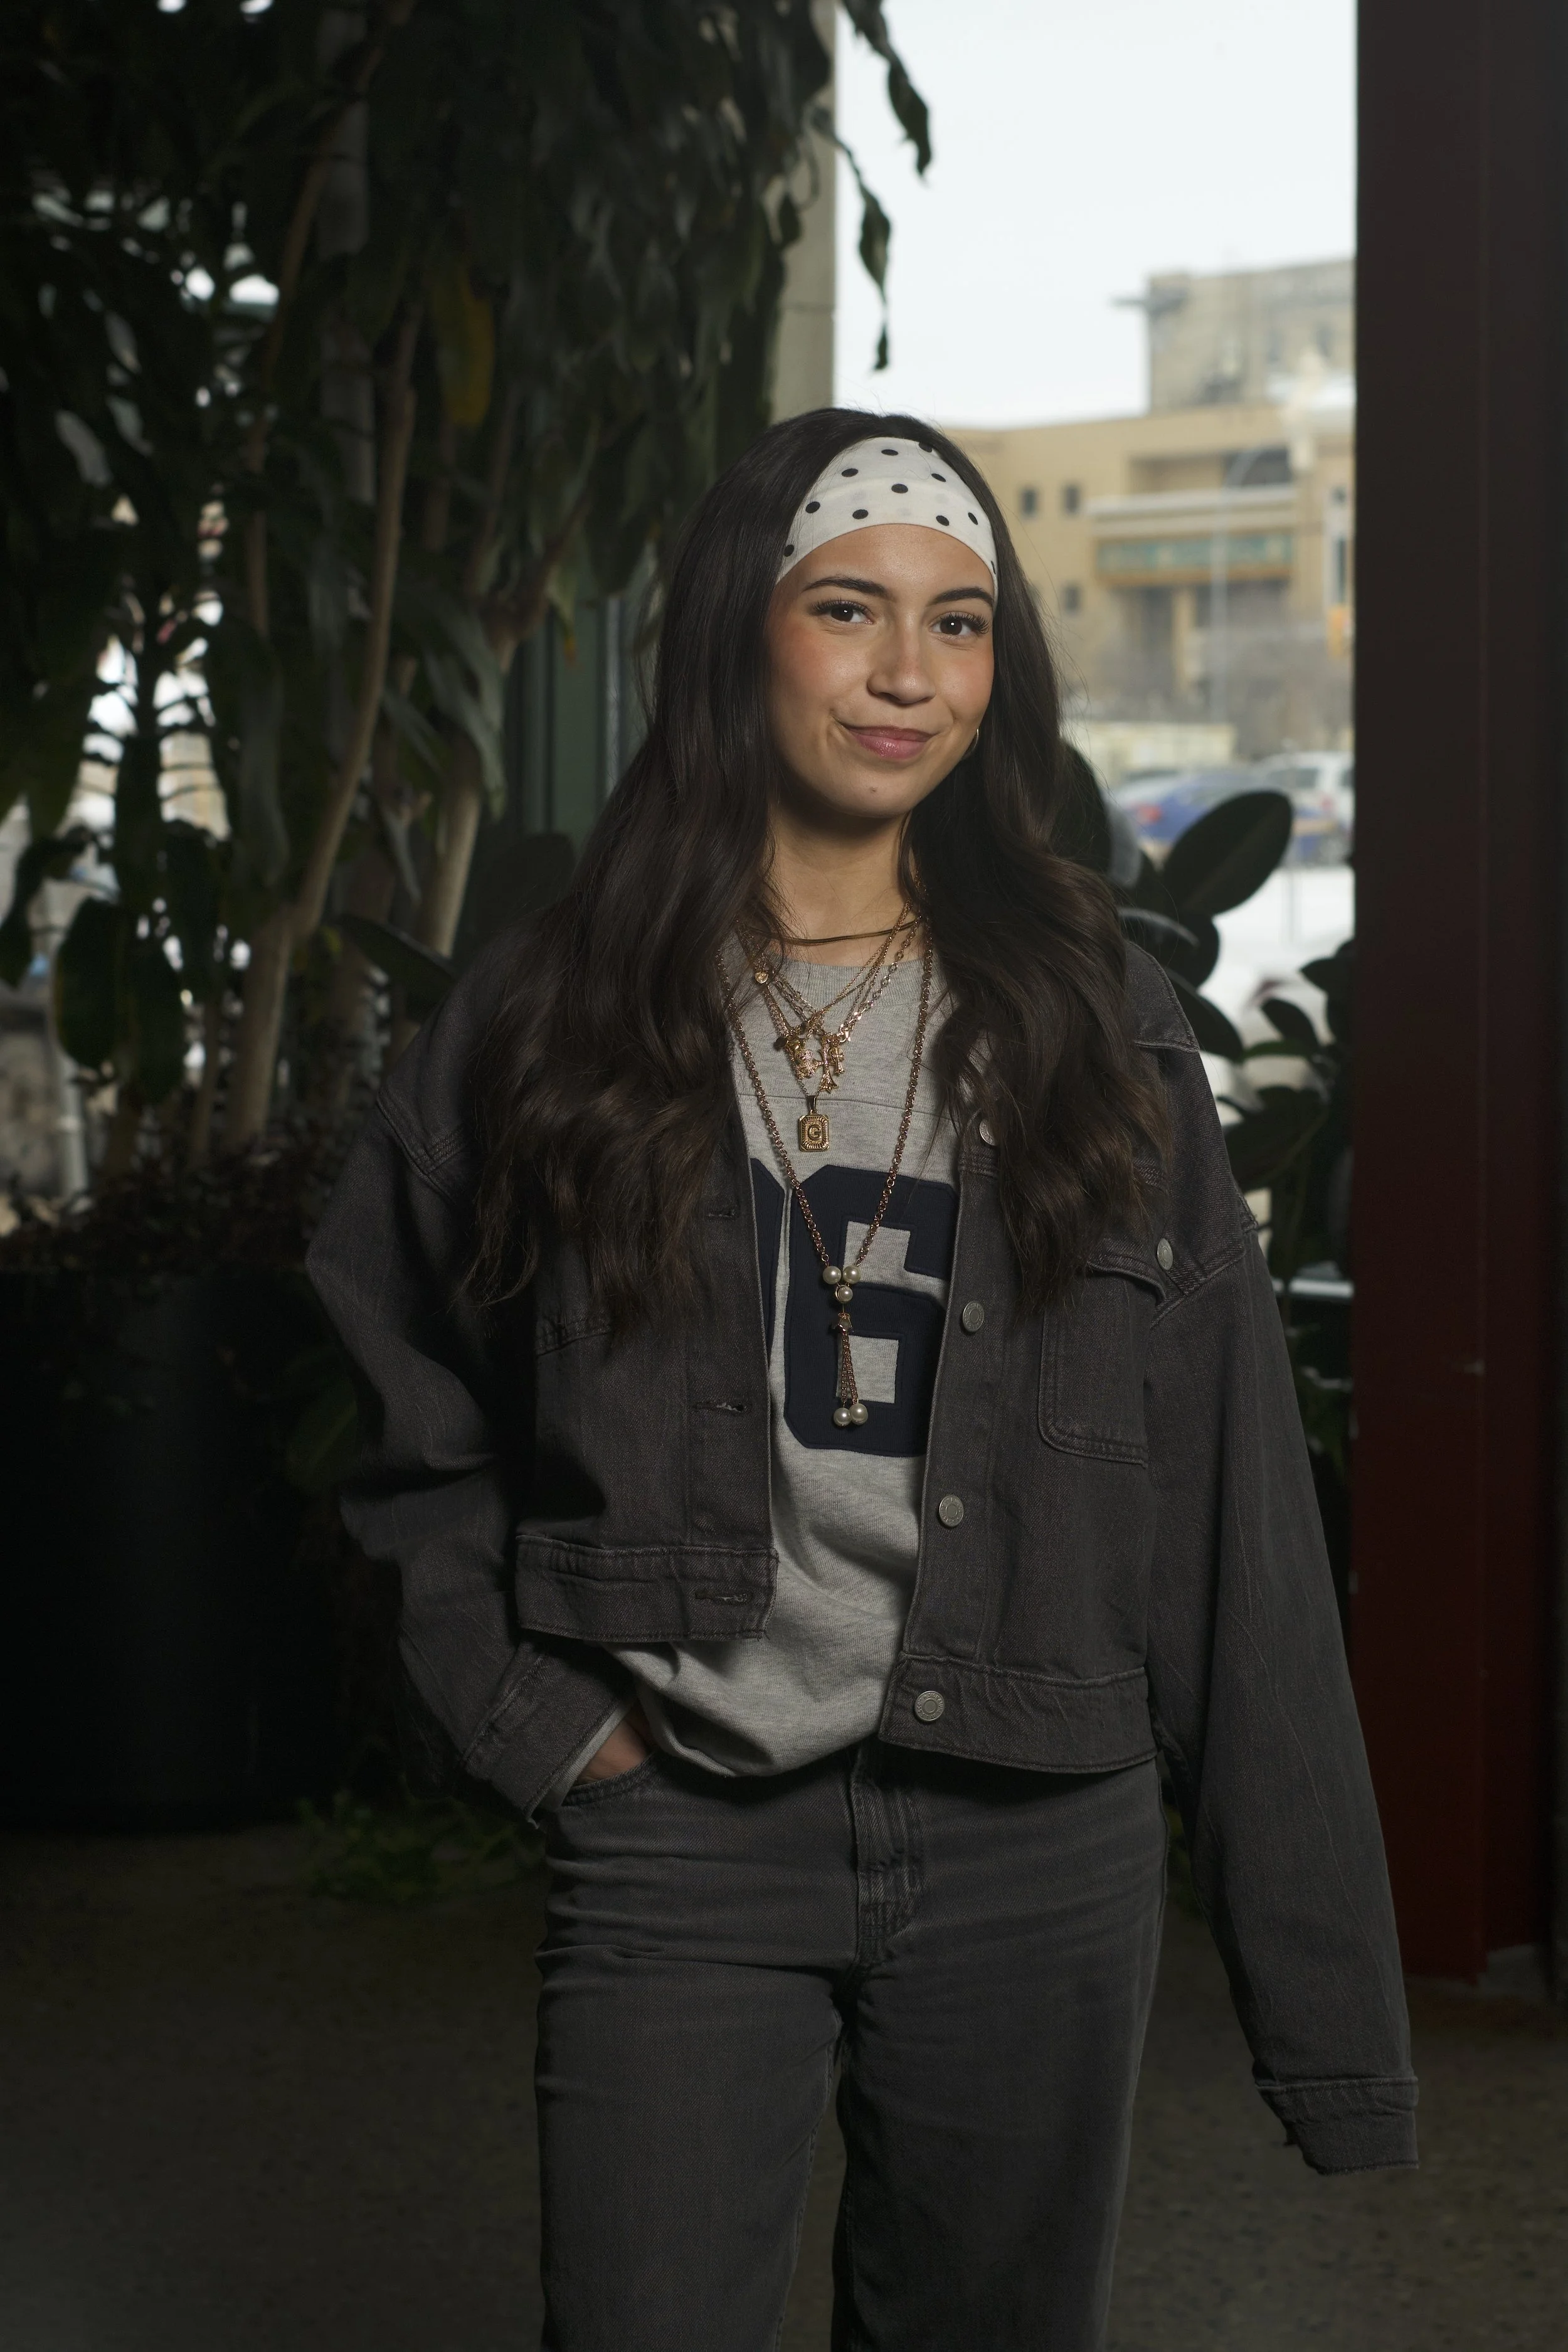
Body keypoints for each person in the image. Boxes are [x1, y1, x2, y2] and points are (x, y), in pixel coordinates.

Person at [308, 410, 1415, 2351]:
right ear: (741, 627)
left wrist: (1329, 2019)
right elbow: (396, 1384)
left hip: (1035, 1839)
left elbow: (1231, 1501)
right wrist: (548, 1725)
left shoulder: (1092, 1019)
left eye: (962, 623)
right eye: (849, 609)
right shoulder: (551, 1007)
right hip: (682, 1831)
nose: (913, 674)